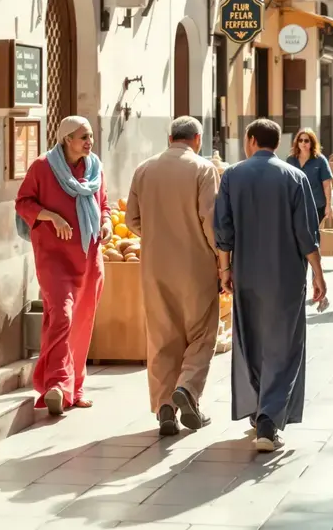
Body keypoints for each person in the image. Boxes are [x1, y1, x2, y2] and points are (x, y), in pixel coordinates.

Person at [215, 119, 328, 452]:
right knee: (284, 344)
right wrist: (318, 272)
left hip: (247, 272)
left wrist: (225, 269)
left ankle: (260, 408)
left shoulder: (232, 175)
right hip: (286, 276)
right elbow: (307, 232)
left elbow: (223, 228)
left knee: (251, 338)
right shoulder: (295, 177)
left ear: (250, 140)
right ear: (277, 144)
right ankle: (268, 419)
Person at [125, 116, 221, 436]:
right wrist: (223, 263)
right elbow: (211, 221)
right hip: (196, 264)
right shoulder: (203, 169)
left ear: (170, 138)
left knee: (163, 335)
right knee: (202, 332)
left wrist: (156, 236)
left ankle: (165, 406)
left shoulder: (144, 169)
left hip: (155, 265)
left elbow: (132, 220)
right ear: (197, 139)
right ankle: (188, 388)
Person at [15, 116, 112, 415]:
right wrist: (51, 216)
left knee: (82, 321)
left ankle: (76, 387)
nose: (89, 141)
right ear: (66, 139)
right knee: (62, 316)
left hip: (89, 256)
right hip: (54, 257)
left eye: (91, 136)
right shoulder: (43, 167)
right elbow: (23, 202)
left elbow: (104, 204)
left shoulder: (94, 167)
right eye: (83, 136)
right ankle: (56, 384)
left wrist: (106, 222)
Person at [286, 128, 333, 223]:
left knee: (314, 235)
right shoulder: (291, 160)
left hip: (316, 205)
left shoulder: (320, 160)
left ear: (312, 143)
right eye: (300, 140)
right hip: (296, 205)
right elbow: (286, 183)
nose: (303, 143)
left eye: (306, 140)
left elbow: (327, 184)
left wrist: (328, 205)